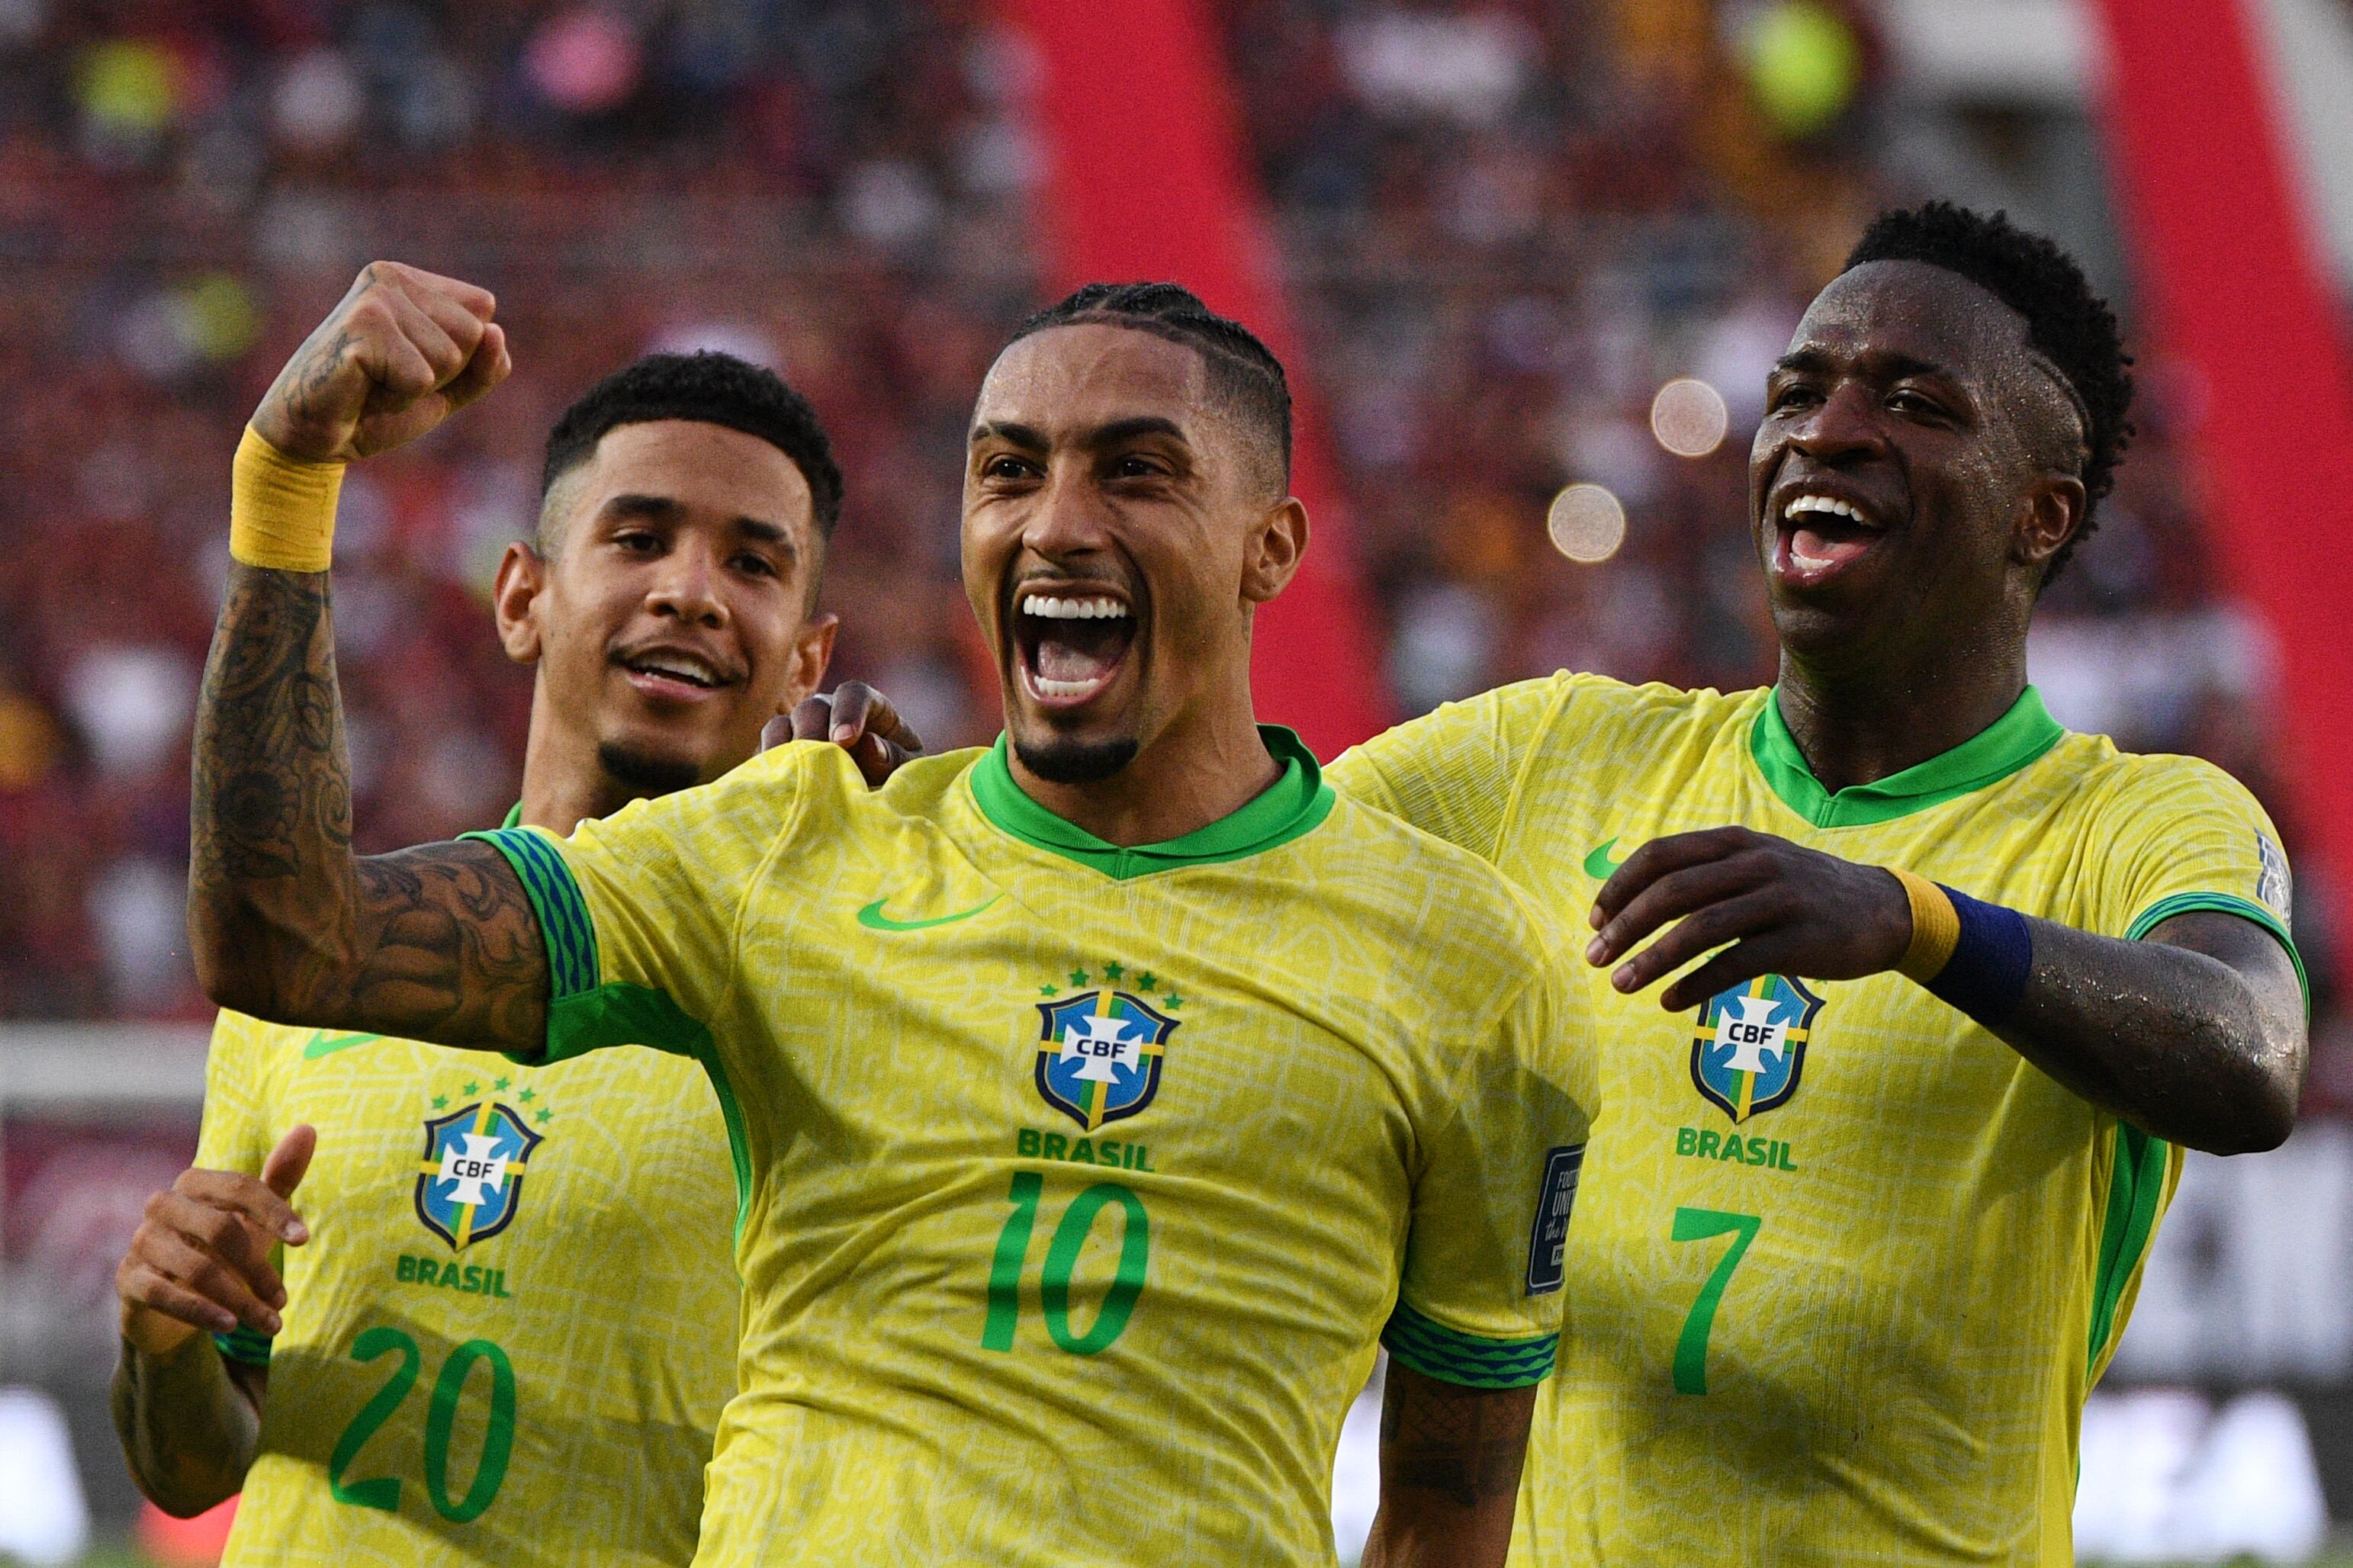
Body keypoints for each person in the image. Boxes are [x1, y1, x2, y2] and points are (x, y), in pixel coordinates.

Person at [181, 272, 1599, 1566]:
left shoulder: (1466, 967)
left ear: (1269, 546)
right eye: (1007, 472)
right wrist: (288, 482)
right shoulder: (787, 851)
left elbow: (1445, 1519)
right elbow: (286, 938)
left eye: (1137, 474)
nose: (1056, 522)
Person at [1325, 204, 2309, 1563]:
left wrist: (1916, 924)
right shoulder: (1551, 754)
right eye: (1795, 390)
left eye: (1914, 402)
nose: (1823, 431)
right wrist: (940, 789)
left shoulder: (2133, 821)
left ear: (2041, 514)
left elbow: (2250, 1051)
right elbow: (1225, 843)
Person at [115, 287, 841, 1566]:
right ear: (521, 599)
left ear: (806, 663)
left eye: (753, 561)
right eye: (639, 537)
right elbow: (191, 1464)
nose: (691, 591)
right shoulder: (327, 977)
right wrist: (164, 1335)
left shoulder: (838, 1005)